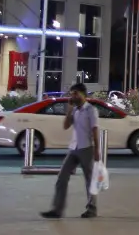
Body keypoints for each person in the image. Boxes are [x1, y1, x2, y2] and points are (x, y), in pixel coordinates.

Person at [41, 83, 100, 219]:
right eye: (71, 93)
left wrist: (97, 150)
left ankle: (92, 209)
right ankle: (57, 209)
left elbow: (95, 130)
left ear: (83, 94)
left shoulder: (91, 110)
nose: (72, 96)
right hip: (74, 148)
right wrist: (69, 110)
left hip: (86, 148)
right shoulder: (75, 110)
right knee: (62, 177)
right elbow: (66, 126)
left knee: (89, 180)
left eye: (75, 93)